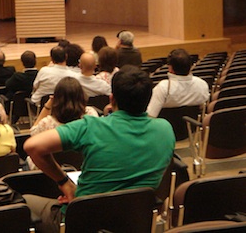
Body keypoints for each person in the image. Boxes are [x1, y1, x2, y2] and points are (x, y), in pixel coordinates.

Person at [23, 66, 176, 233]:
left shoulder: (91, 127)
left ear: (111, 99)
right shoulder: (166, 129)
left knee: (23, 201)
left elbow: (32, 146)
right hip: (134, 220)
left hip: (82, 222)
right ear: (148, 99)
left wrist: (64, 182)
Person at [27, 77, 98, 170]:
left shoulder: (47, 123)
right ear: (81, 96)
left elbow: (33, 133)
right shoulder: (90, 114)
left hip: (51, 171)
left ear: (56, 98)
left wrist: (48, 106)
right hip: (84, 166)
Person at [146, 48, 210, 118]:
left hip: (166, 128)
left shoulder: (163, 87)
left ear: (170, 68)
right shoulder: (202, 84)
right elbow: (202, 108)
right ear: (191, 66)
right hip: (192, 127)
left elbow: (150, 116)